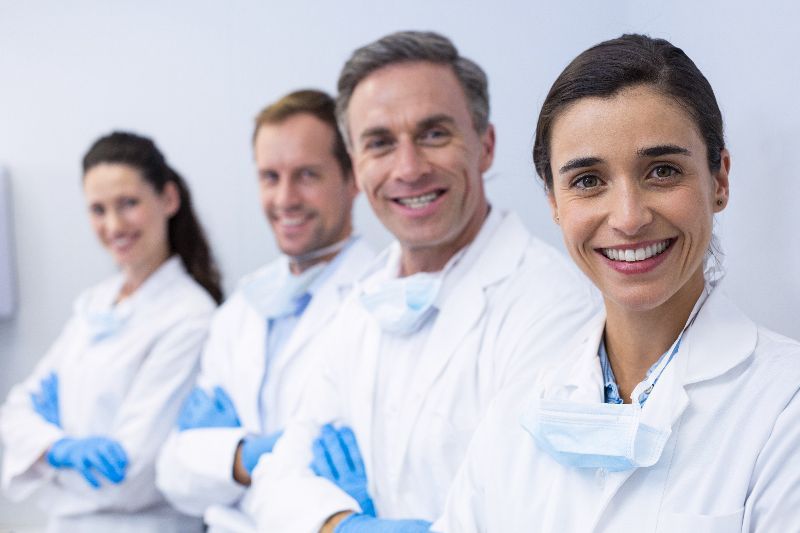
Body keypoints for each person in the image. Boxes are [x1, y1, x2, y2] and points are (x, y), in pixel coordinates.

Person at [431, 34, 800, 532]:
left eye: (662, 171)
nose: (628, 218)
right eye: (587, 180)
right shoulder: (517, 409)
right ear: (555, 204)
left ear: (720, 181)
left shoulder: (784, 406)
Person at [249, 31, 600, 532]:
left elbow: (534, 514)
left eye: (434, 134)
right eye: (380, 143)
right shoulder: (361, 303)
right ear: (356, 166)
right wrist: (339, 524)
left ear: (485, 146)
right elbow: (277, 482)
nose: (408, 168)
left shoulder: (556, 307)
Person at [155, 89, 374, 533]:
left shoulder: (378, 302)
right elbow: (172, 476)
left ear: (353, 178)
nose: (285, 198)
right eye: (270, 177)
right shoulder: (240, 310)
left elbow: (311, 488)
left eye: (307, 175)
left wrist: (221, 457)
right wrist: (244, 457)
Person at [0, 131, 222, 532]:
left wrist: (42, 450)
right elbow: (13, 412)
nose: (114, 224)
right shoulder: (96, 304)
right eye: (98, 210)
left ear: (168, 199)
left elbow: (129, 480)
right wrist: (60, 448)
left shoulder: (191, 317)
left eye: (128, 204)